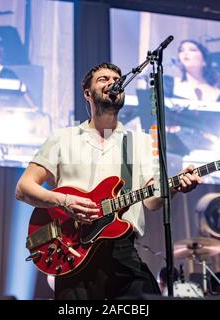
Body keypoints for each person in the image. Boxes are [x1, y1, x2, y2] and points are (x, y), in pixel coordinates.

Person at [15, 62, 203, 300]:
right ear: (87, 93)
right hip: (72, 247)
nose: (113, 82)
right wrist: (64, 200)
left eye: (117, 78)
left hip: (122, 250)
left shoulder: (140, 143)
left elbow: (152, 201)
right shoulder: (63, 138)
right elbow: (24, 188)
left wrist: (174, 187)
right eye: (103, 79)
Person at [165, 39, 220, 103]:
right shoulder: (166, 84)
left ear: (204, 61)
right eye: (181, 50)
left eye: (192, 50)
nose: (185, 53)